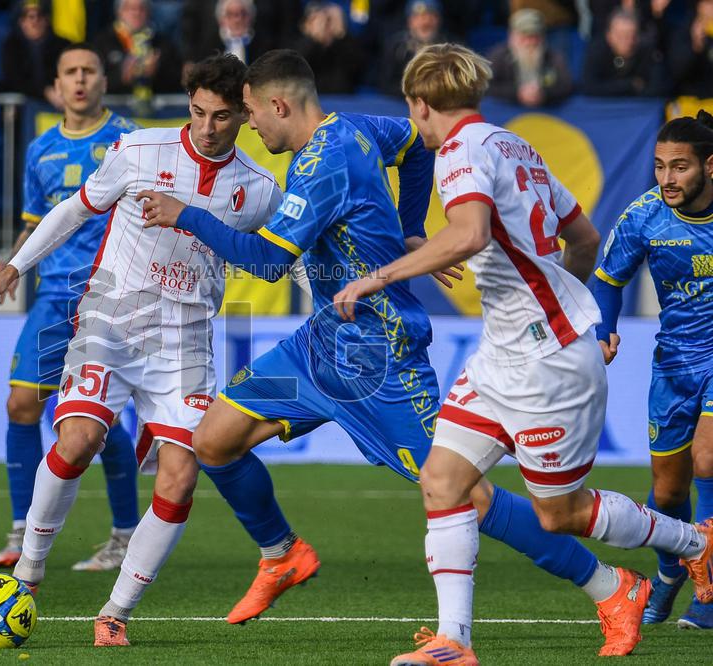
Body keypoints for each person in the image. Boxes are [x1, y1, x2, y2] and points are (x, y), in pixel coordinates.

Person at [139, 48, 643, 653]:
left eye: (249, 112)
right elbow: (415, 144)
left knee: (466, 494)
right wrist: (409, 225)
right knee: (214, 440)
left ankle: (610, 585)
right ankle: (281, 554)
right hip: (322, 344)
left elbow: (269, 262)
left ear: (278, 103)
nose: (249, 125)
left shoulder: (323, 164)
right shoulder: (358, 127)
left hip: (381, 358)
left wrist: (186, 214)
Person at [330, 42, 713, 663]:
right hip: (504, 353)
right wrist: (556, 293)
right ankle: (455, 642)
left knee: (560, 515)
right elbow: (583, 238)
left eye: (412, 108)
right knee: (443, 480)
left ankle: (692, 543)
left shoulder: (459, 153)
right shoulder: (513, 144)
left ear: (420, 103)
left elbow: (470, 233)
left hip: (547, 364)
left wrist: (382, 276)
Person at [0, 53, 282, 646]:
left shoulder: (259, 191)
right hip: (112, 322)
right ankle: (29, 572)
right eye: (196, 113)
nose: (206, 128)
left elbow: (276, 260)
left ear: (243, 113)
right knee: (78, 440)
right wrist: (14, 266)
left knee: (180, 478)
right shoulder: (140, 151)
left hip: (186, 342)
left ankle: (115, 612)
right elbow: (72, 209)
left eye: (220, 117)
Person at [0, 43, 142, 572]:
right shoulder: (40, 149)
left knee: (101, 421)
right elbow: (37, 223)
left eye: (88, 71)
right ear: (55, 85)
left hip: (109, 294)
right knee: (22, 405)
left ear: (102, 81)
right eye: (69, 72)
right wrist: (11, 267)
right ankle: (22, 527)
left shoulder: (129, 140)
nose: (79, 80)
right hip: (53, 295)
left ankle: (123, 536)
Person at [593, 111, 713, 630]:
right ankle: (669, 577)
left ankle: (707, 595)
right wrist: (604, 330)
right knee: (667, 493)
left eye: (680, 167)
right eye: (661, 166)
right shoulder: (644, 216)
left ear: (710, 166)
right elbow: (606, 279)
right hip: (673, 363)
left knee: (708, 458)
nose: (667, 178)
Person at [487, 8, 572, 108]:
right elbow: (487, 86)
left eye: (534, 36)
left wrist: (544, 94)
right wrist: (517, 93)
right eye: (524, 36)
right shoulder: (499, 56)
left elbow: (566, 86)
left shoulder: (553, 57)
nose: (529, 42)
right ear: (512, 36)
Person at [582, 8, 667, 97]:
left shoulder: (648, 50)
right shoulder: (597, 50)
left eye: (631, 35)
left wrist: (611, 87)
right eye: (620, 35)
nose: (627, 41)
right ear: (609, 36)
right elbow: (589, 87)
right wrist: (630, 84)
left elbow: (658, 88)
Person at [0, 0, 71, 106]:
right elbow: (13, 80)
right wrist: (44, 92)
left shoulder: (63, 45)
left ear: (47, 19)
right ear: (21, 22)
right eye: (28, 17)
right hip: (23, 110)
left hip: (60, 107)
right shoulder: (12, 45)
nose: (34, 21)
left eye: (40, 15)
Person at [375, 0, 446, 96]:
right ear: (410, 21)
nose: (425, 22)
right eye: (419, 17)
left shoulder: (450, 48)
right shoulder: (396, 46)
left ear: (439, 20)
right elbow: (386, 82)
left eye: (431, 16)